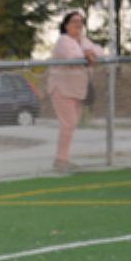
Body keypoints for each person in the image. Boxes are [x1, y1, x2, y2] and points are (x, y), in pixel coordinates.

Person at [47, 12, 104, 173]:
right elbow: (72, 55)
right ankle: (60, 161)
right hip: (62, 89)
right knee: (68, 123)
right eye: (74, 21)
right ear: (66, 25)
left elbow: (100, 51)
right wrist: (86, 54)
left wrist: (89, 53)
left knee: (71, 125)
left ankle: (62, 159)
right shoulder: (63, 40)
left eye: (81, 21)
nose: (78, 24)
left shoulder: (84, 41)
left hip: (78, 90)